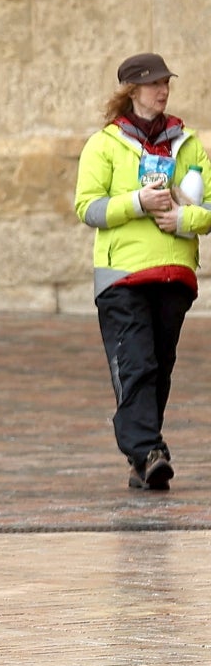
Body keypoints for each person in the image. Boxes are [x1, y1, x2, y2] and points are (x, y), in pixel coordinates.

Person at [74, 53, 211, 490]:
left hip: (174, 274)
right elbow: (87, 208)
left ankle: (141, 458)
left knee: (159, 369)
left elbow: (206, 209)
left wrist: (182, 220)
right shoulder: (104, 144)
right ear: (131, 91)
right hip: (122, 276)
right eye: (153, 84)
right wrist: (137, 203)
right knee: (137, 365)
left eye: (165, 82)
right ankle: (149, 450)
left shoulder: (189, 143)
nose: (162, 90)